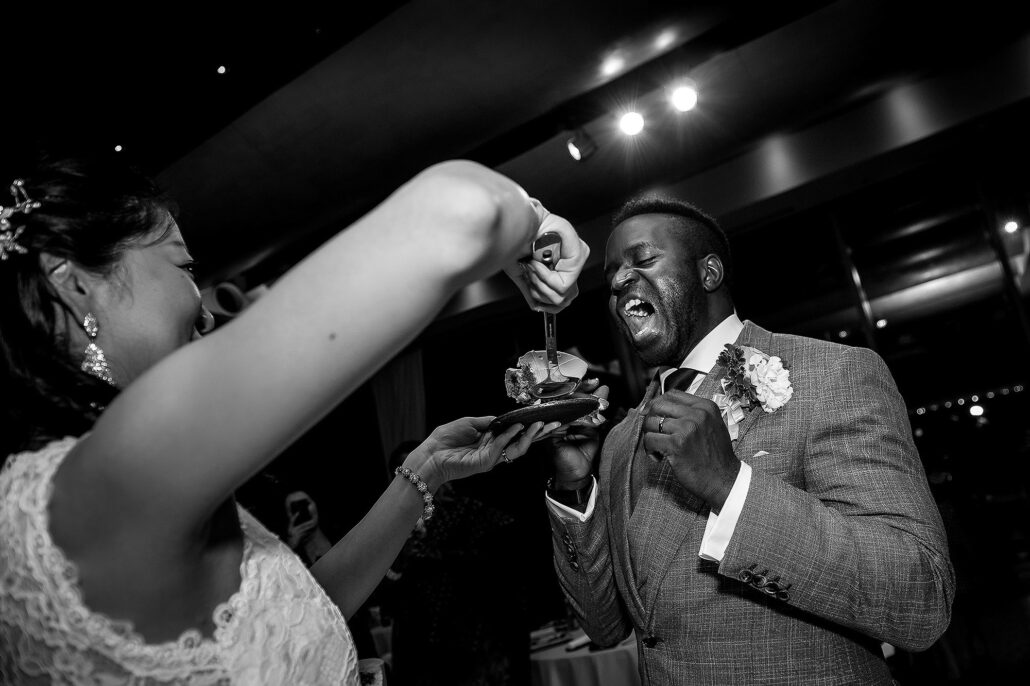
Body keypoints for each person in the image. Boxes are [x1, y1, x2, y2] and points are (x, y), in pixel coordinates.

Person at [0, 154, 587, 684]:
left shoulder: (92, 482)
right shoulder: (118, 471)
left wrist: (426, 470)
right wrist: (532, 223)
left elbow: (293, 619)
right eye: (182, 266)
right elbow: (464, 210)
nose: (204, 311)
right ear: (74, 283)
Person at [541, 195, 955, 685]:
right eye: (610, 273)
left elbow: (920, 598)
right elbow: (605, 626)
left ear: (709, 273)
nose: (616, 282)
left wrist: (729, 485)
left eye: (643, 259)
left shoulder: (833, 373)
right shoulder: (620, 439)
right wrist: (574, 486)